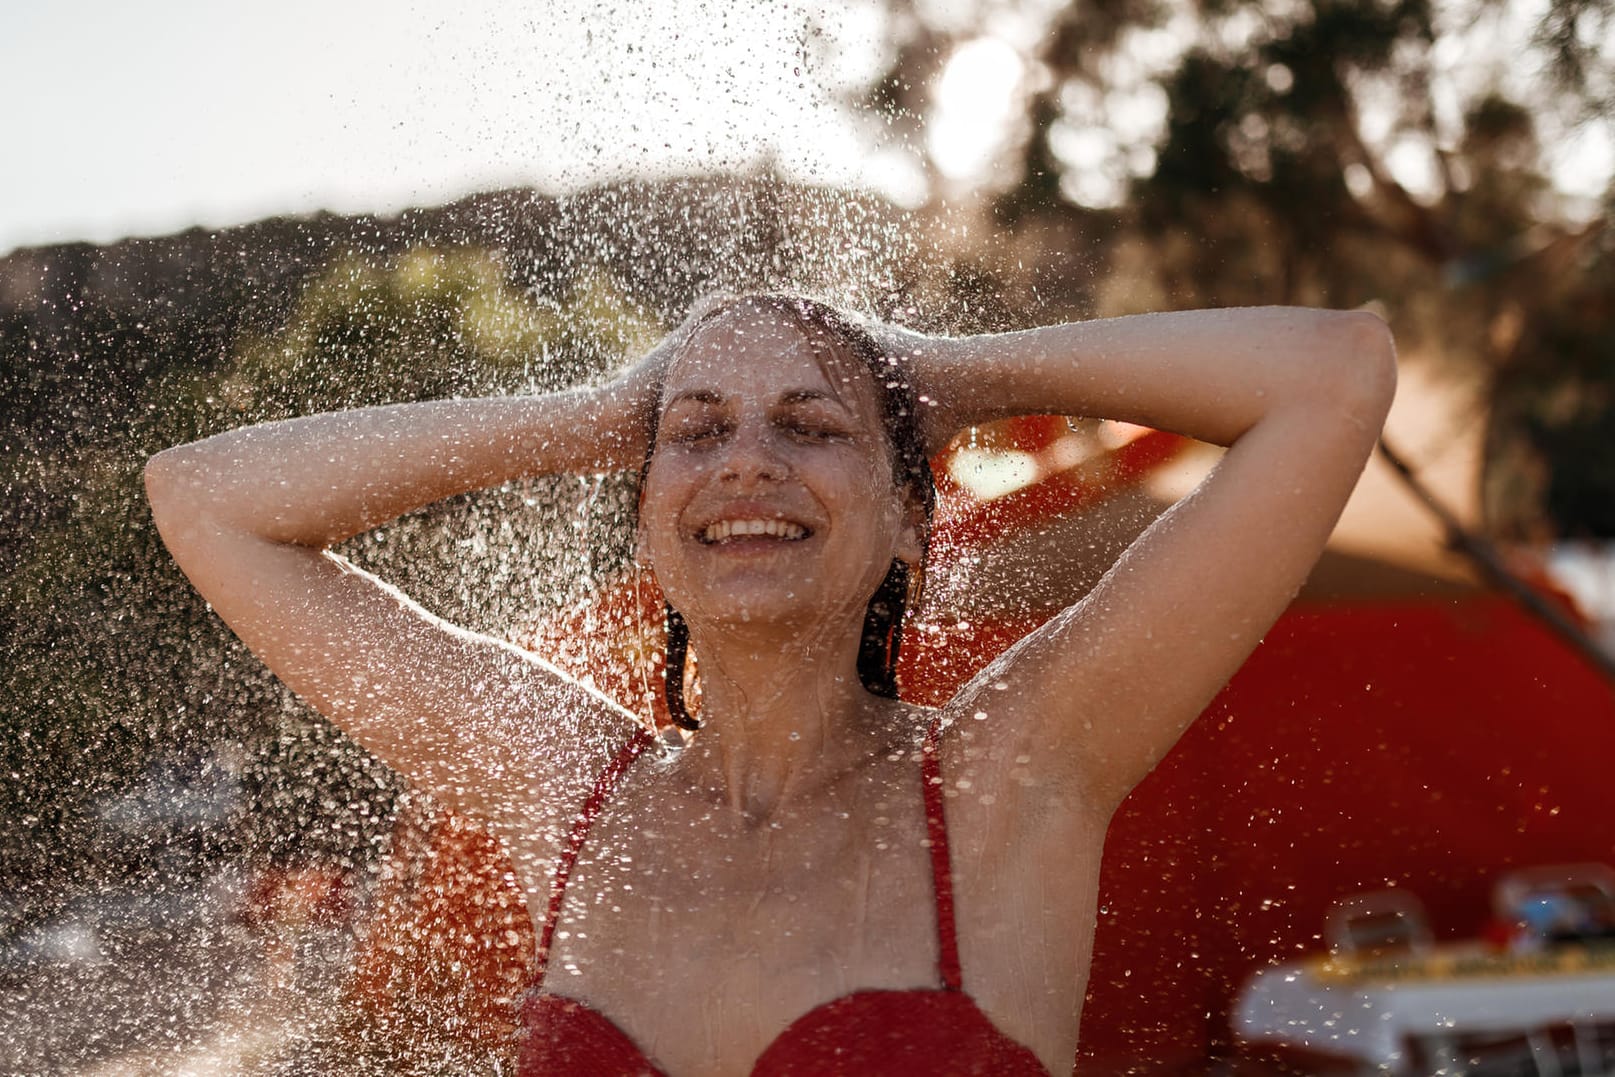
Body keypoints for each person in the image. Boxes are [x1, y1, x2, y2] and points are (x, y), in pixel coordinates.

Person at [145, 293, 1397, 1074]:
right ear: (643, 519)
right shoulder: (574, 790)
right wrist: (603, 413)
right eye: (697, 433)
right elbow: (204, 499)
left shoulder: (1008, 771)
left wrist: (934, 373)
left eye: (811, 426)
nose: (745, 462)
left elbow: (1332, 373)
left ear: (914, 516)